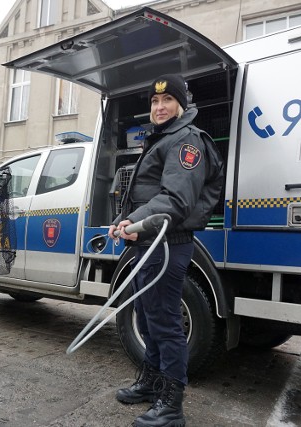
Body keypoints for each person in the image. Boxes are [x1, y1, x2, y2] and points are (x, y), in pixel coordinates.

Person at [108, 74, 224, 427]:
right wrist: (126, 221)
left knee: (166, 323)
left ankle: (172, 405)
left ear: (181, 105)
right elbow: (148, 194)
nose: (159, 108)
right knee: (146, 315)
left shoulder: (187, 140)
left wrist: (135, 222)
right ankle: (151, 382)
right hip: (149, 241)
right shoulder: (164, 137)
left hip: (168, 245)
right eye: (155, 103)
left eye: (167, 101)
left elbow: (176, 199)